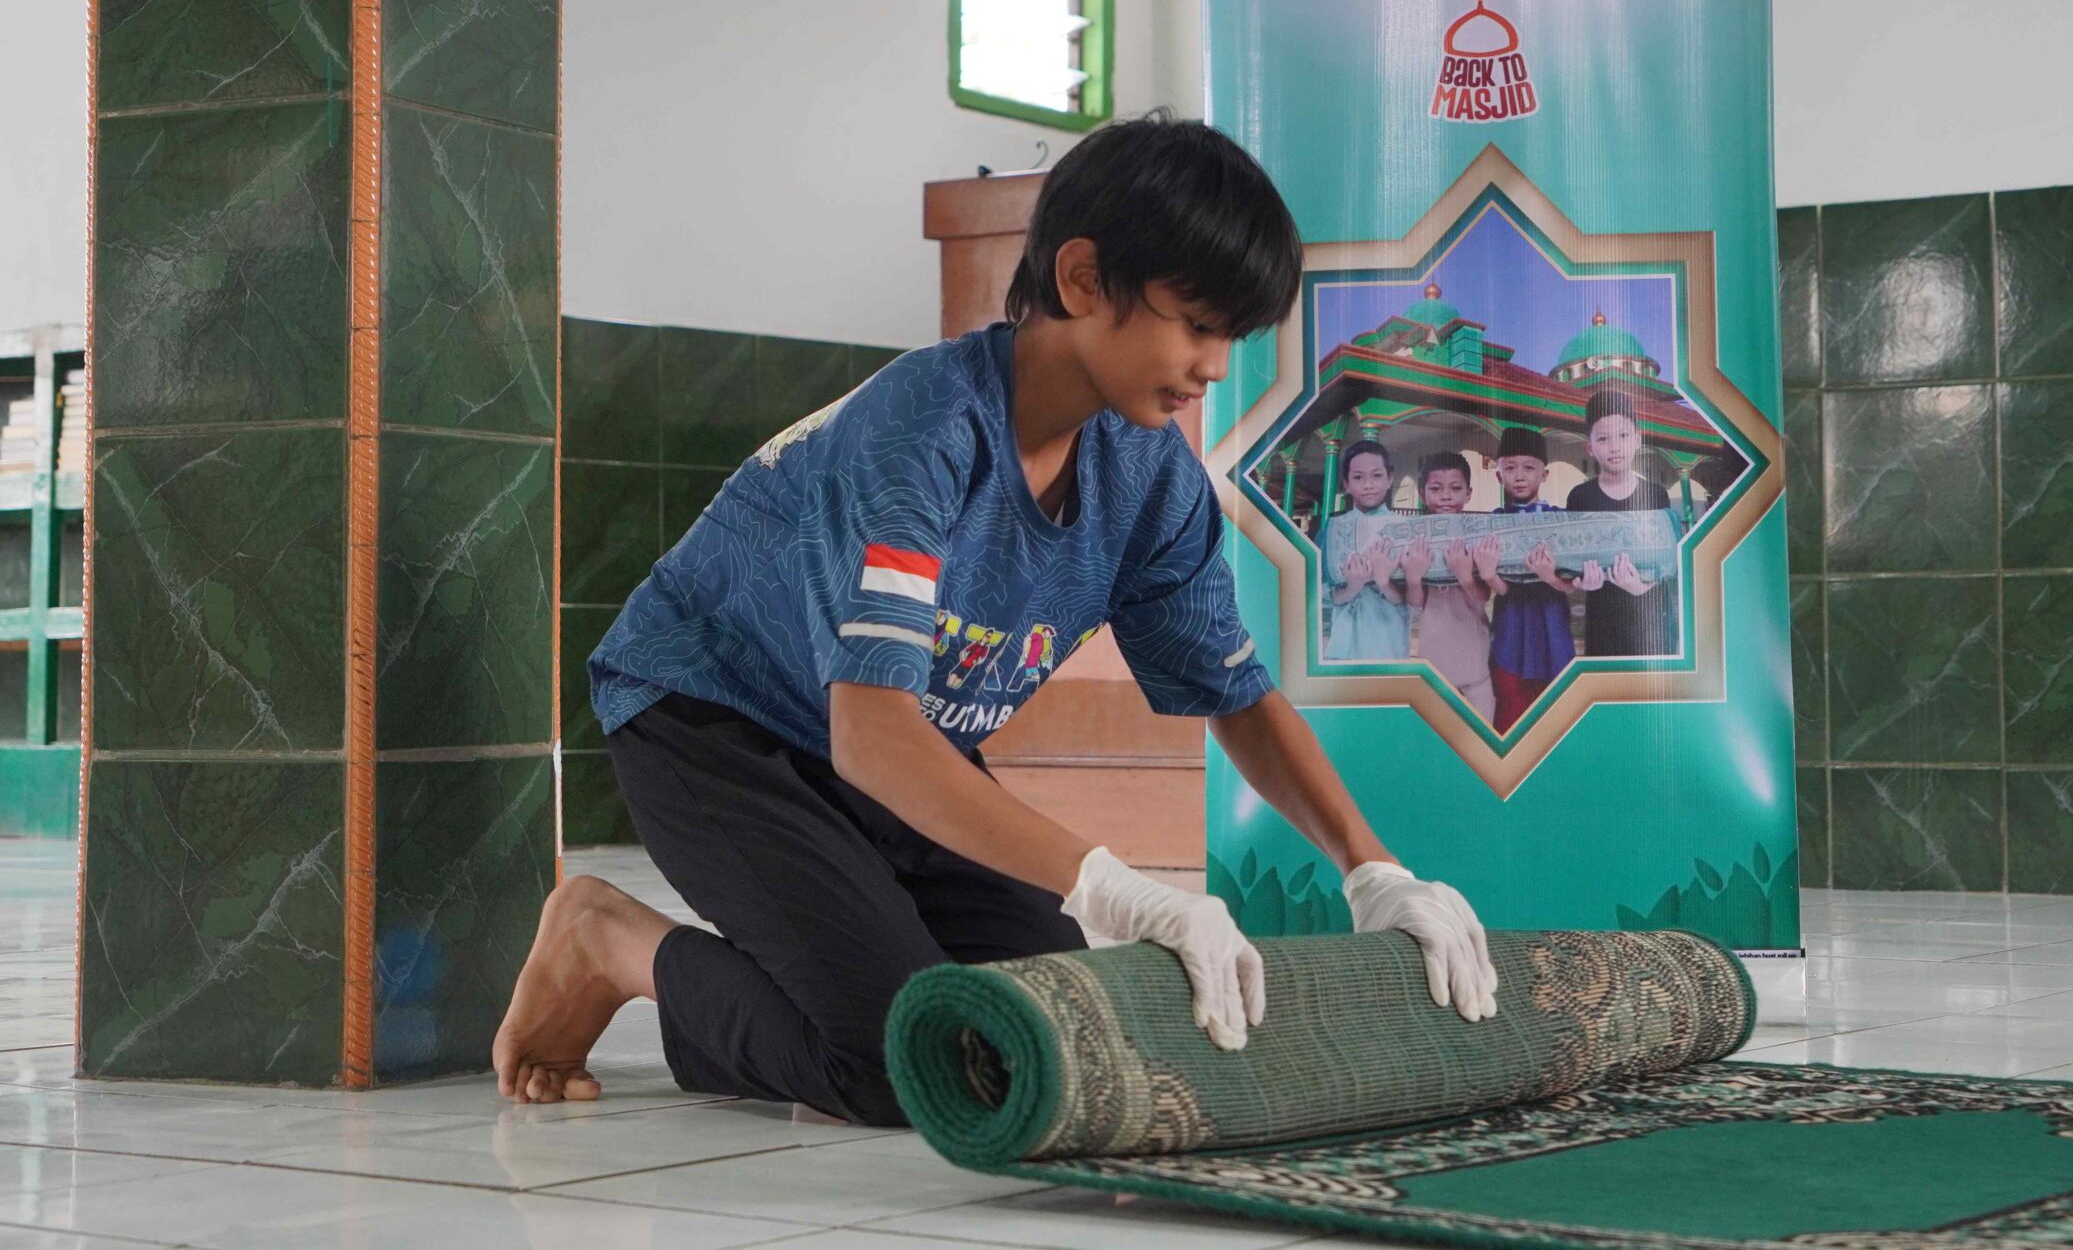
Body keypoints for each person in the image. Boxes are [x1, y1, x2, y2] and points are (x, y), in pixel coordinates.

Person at [493, 115, 1497, 1120]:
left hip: (892, 747)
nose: (1214, 366)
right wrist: (1110, 886)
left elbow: (1232, 692)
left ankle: (767, 987)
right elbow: (871, 737)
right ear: (1081, 280)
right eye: (1195, 323)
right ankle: (610, 941)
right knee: (903, 1062)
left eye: (1231, 337)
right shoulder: (920, 435)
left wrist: (1373, 872)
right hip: (717, 721)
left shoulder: (1150, 477)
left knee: (1040, 1024)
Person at [1481, 426, 1576, 731]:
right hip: (1510, 631)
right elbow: (1497, 590)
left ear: (1544, 474)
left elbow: (1570, 586)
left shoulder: (1561, 520)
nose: (1519, 476)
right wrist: (1488, 574)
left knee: (1556, 716)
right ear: (1499, 476)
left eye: (1529, 468)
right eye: (1510, 468)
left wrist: (1550, 577)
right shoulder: (1490, 524)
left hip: (1553, 631)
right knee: (1510, 712)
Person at [1567, 390, 1674, 657]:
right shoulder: (1580, 497)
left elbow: (1669, 565)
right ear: (1590, 446)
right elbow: (1571, 564)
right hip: (1602, 627)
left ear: (1637, 439)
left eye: (1623, 436)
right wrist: (1582, 585)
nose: (1614, 447)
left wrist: (1640, 588)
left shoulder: (1656, 496)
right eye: (1603, 438)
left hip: (1647, 626)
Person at [1406, 451, 1501, 722]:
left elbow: (1483, 596)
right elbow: (1415, 603)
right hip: (1434, 656)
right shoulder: (1417, 539)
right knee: (1437, 734)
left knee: (1482, 734)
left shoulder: (1477, 534)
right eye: (1436, 489)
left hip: (1475, 656)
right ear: (1424, 495)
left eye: (1455, 488)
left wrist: (1465, 576)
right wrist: (1414, 578)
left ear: (1468, 493)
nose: (1446, 496)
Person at [1320, 439, 1411, 660]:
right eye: (1358, 477)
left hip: (1387, 639)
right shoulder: (1331, 529)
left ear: (1390, 479)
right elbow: (1318, 591)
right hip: (1342, 642)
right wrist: (1352, 587)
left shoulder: (1405, 529)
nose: (1368, 484)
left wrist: (1382, 581)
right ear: (1346, 484)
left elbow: (1409, 596)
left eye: (1377, 475)